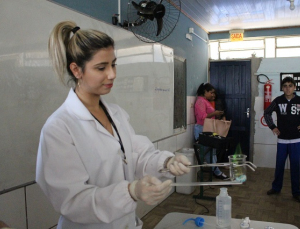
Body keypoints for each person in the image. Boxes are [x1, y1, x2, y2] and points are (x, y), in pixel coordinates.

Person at [35, 21, 191, 229]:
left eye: (113, 64)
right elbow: (72, 201)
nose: (112, 74)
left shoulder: (116, 114)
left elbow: (135, 155)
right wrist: (130, 192)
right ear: (76, 70)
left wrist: (166, 161)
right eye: (101, 67)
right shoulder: (59, 128)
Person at [264, 77, 300, 203]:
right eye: (285, 86)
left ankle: (296, 192)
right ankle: (276, 188)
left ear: (294, 87)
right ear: (282, 88)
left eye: (290, 85)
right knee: (279, 166)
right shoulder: (278, 101)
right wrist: (273, 127)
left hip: (295, 140)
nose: (288, 88)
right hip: (282, 140)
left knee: (295, 167)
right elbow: (267, 113)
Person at [194, 83, 228, 180]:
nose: (213, 95)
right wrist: (215, 113)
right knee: (208, 152)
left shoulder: (205, 101)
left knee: (212, 152)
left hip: (207, 129)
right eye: (211, 93)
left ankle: (215, 171)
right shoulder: (200, 101)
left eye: (214, 93)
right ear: (205, 92)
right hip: (201, 129)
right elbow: (202, 117)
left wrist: (218, 117)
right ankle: (216, 171)